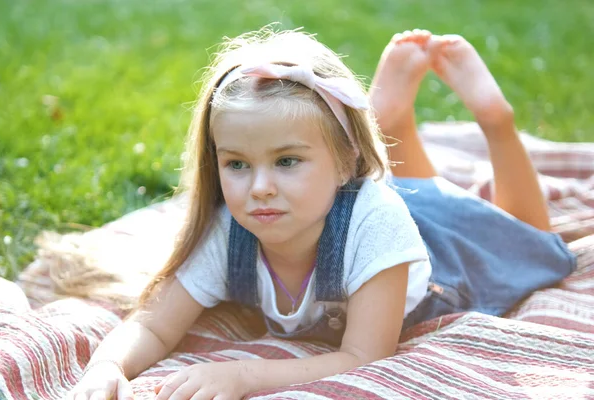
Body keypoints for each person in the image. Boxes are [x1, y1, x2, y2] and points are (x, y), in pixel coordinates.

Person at [67, 28, 575, 400]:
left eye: (287, 161)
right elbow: (155, 326)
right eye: (238, 164)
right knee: (417, 189)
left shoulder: (377, 222)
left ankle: (494, 120)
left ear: (346, 160)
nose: (260, 188)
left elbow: (364, 356)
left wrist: (241, 375)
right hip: (375, 203)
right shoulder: (230, 230)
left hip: (440, 254)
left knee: (537, 244)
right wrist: (108, 365)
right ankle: (393, 124)